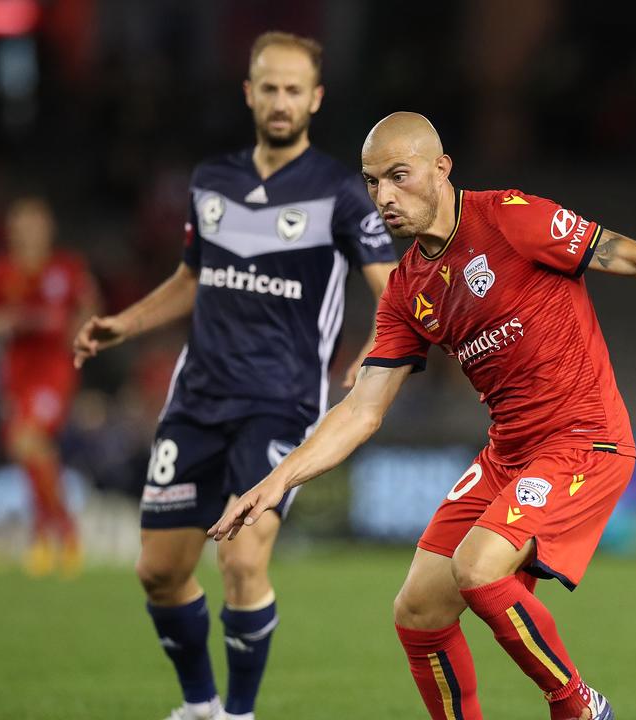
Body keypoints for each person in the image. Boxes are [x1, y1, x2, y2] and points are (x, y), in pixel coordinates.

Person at [209, 112, 636, 720]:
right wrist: (277, 481)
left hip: (585, 440)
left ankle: (578, 705)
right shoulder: (406, 290)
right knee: (419, 612)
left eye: (399, 175)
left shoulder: (511, 219)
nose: (384, 196)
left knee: (477, 567)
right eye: (372, 182)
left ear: (441, 168)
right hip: (508, 453)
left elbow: (630, 255)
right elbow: (362, 409)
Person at [72, 32, 397, 720]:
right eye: (269, 88)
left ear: (315, 98)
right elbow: (193, 278)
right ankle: (201, 706)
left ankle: (240, 715)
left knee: (244, 563)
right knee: (159, 572)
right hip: (196, 399)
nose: (280, 101)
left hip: (280, 404)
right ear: (249, 93)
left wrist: (376, 354)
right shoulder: (210, 181)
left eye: (293, 90)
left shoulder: (342, 192)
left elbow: (396, 290)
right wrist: (122, 325)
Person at [0, 196, 99, 577]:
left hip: (54, 370)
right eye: (22, 225)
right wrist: (12, 319)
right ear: (12, 230)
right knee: (27, 450)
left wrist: (78, 330)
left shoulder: (68, 268)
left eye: (35, 224)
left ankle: (59, 532)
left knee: (27, 439)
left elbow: (90, 308)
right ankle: (49, 532)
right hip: (16, 373)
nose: (29, 232)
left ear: (48, 228)